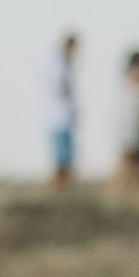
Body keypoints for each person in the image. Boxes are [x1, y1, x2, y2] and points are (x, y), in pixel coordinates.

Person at [45, 31, 79, 187]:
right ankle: (56, 189)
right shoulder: (57, 63)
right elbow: (58, 88)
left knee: (67, 160)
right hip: (59, 118)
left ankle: (62, 189)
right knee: (61, 161)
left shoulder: (65, 63)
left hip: (64, 118)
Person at [113, 49, 139, 189]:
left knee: (134, 160)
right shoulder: (135, 74)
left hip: (135, 122)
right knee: (127, 158)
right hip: (129, 123)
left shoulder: (135, 75)